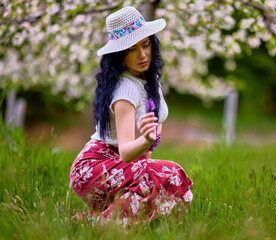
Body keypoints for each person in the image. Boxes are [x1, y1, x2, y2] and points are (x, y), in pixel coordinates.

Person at [69, 6, 193, 224]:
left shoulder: (148, 79)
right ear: (119, 55)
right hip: (95, 167)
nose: (142, 54)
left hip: (122, 167)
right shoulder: (126, 90)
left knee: (174, 189)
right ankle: (99, 225)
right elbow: (126, 152)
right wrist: (146, 139)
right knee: (170, 174)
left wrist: (147, 148)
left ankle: (92, 219)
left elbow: (154, 127)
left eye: (146, 45)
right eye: (132, 49)